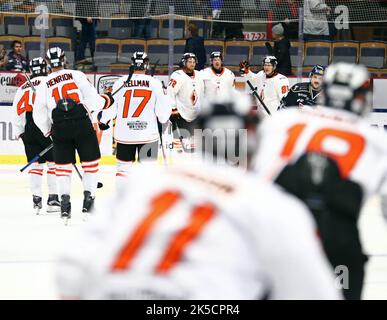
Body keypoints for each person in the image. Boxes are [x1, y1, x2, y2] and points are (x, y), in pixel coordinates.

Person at [56, 90, 341, 300]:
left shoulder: (145, 179)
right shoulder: (271, 204)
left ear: (199, 133)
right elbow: (316, 291)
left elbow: (72, 268)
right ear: (254, 139)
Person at [253, 62, 387, 300]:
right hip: (337, 235)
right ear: (360, 97)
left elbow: (256, 178)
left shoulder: (284, 120)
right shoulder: (376, 139)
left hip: (280, 229)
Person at [32, 47, 114, 223]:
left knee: (62, 168)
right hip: (82, 123)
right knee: (90, 165)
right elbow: (93, 100)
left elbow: (38, 113)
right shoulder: (76, 74)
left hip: (60, 127)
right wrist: (106, 100)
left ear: (47, 63)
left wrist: (48, 131)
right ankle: (88, 204)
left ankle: (65, 206)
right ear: (64, 60)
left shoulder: (44, 84)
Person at [97, 52, 171, 187]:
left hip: (125, 135)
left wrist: (104, 121)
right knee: (148, 171)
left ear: (132, 64)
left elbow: (111, 107)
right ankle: (146, 204)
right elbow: (163, 112)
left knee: (123, 171)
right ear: (146, 65)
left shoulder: (121, 81)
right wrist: (161, 119)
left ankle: (121, 201)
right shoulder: (154, 83)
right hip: (148, 135)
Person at [12, 57, 60, 214]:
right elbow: (53, 107)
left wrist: (20, 132)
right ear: (45, 68)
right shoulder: (49, 82)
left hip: (29, 129)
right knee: (53, 163)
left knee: (36, 165)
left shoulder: (22, 88)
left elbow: (16, 112)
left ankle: (36, 200)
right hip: (45, 126)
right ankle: (53, 200)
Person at [167, 52, 204, 151]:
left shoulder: (200, 75)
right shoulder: (177, 75)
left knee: (195, 147)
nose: (192, 64)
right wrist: (173, 109)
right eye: (189, 62)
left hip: (196, 114)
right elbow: (170, 93)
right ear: (184, 63)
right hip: (180, 114)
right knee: (178, 146)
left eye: (193, 62)